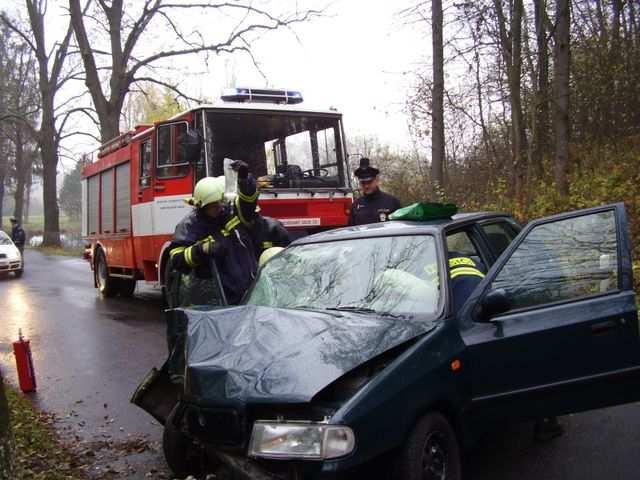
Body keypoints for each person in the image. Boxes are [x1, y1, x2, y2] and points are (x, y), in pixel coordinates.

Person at [349, 157, 401, 226]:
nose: (366, 186)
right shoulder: (355, 206)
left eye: (369, 182)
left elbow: (400, 229)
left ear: (376, 180)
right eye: (363, 183)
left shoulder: (392, 202)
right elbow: (352, 231)